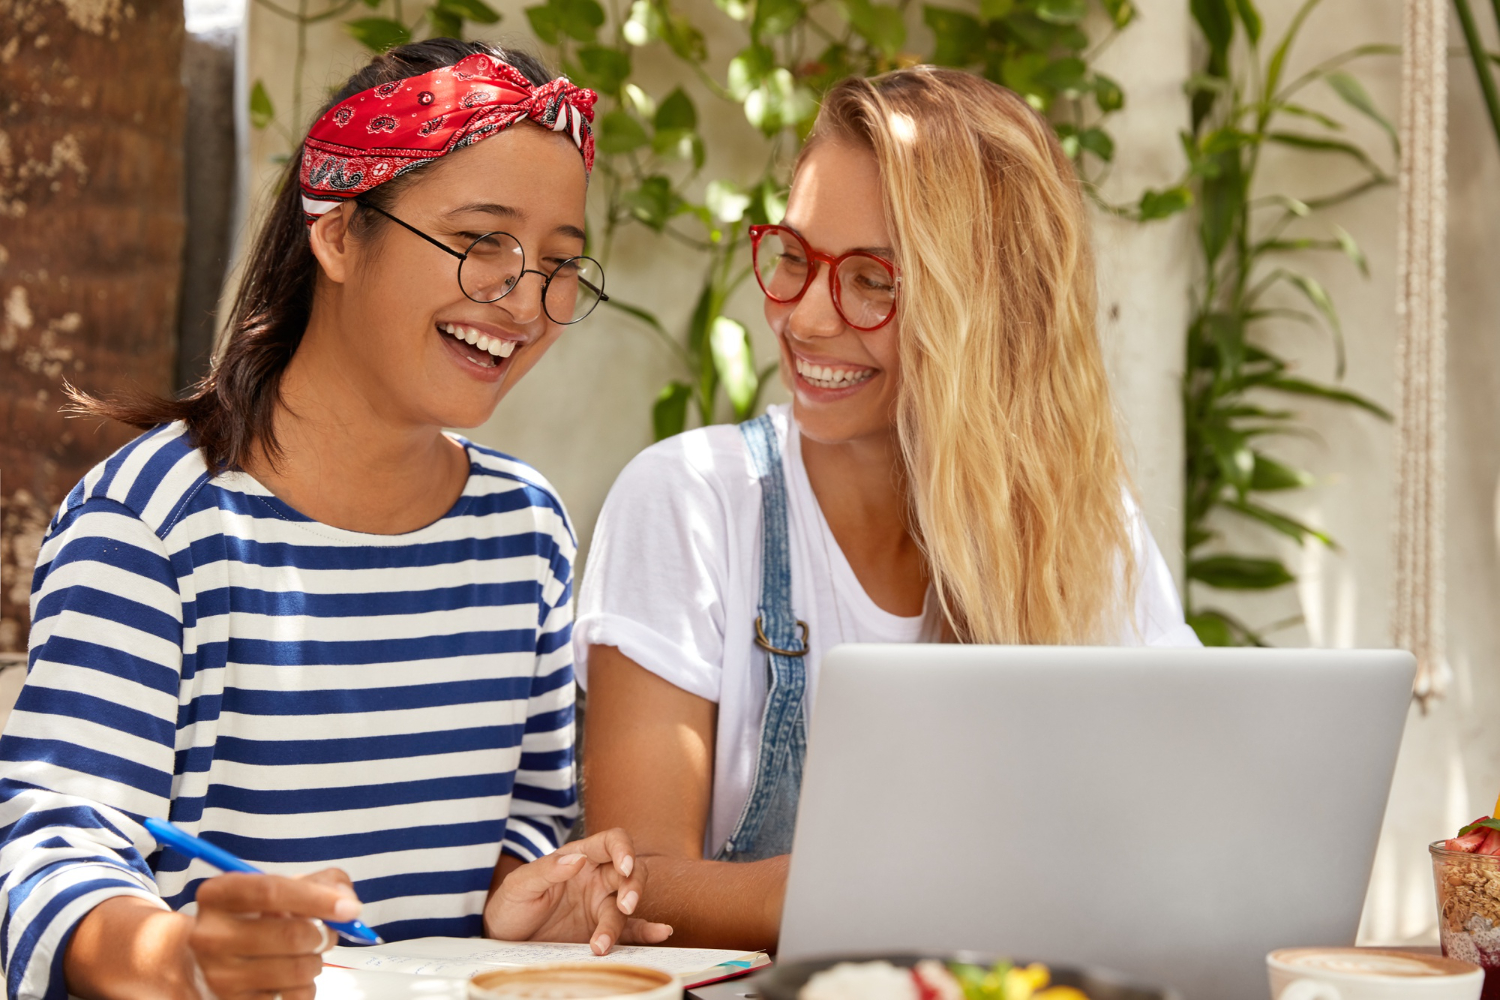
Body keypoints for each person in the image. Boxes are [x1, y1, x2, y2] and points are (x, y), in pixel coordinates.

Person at [0, 40, 669, 1000]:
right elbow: (51, 860)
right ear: (340, 232)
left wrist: (514, 899)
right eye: (483, 242)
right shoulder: (151, 529)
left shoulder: (527, 532)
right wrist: (181, 958)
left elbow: (523, 819)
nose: (524, 300)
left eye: (561, 264)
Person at [576, 67, 1202, 950]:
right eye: (794, 258)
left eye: (874, 280)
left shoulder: (1083, 529)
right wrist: (874, 890)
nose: (806, 318)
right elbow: (629, 886)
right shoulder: (692, 502)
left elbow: (1185, 819)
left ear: (992, 311)